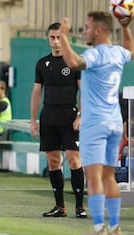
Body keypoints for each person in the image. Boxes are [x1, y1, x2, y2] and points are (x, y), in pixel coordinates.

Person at [59, 11, 134, 235]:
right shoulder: (118, 53)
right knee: (108, 177)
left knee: (93, 177)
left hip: (95, 123)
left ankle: (99, 228)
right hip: (114, 122)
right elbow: (131, 51)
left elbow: (73, 62)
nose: (84, 31)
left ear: (99, 30)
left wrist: (63, 36)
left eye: (87, 27)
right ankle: (115, 228)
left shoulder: (96, 54)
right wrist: (126, 27)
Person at [30, 22, 86, 219]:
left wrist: (80, 115)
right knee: (53, 161)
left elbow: (84, 92)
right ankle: (60, 206)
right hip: (49, 117)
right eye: (52, 37)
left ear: (65, 39)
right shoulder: (42, 63)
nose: (55, 41)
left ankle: (80, 206)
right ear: (48, 39)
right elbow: (37, 93)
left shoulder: (74, 62)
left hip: (70, 117)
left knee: (73, 159)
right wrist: (33, 120)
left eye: (59, 37)